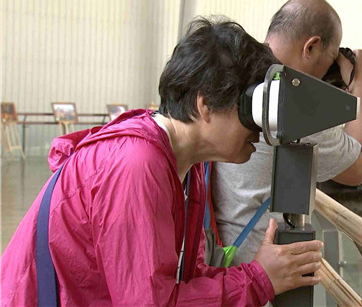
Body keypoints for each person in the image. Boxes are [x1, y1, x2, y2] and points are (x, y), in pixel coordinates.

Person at [0, 17, 323, 306]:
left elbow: (185, 278)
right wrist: (258, 279)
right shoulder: (136, 165)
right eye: (249, 111)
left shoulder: (186, 166)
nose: (258, 131)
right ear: (206, 104)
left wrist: (262, 273)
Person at [212, 0, 362, 266]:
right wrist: (361, 86)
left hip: (213, 257)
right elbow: (358, 167)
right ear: (311, 47)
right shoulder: (295, 101)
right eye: (330, 58)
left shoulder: (232, 72)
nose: (326, 74)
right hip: (259, 273)